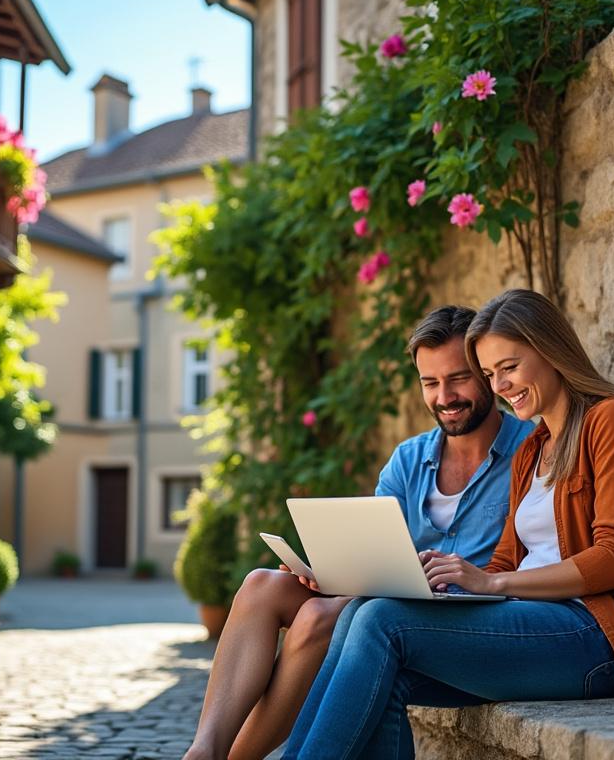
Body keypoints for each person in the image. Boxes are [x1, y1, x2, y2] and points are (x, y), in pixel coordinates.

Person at [281, 289, 614, 759]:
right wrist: (438, 584)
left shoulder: (612, 422)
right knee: (361, 616)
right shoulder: (534, 449)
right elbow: (506, 560)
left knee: (380, 621)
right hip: (536, 627)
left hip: (600, 639)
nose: (500, 386)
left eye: (509, 367)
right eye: (491, 374)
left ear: (550, 350)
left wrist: (493, 583)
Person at [183, 305, 537, 760]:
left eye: (459, 378)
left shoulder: (530, 451)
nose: (444, 396)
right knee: (261, 586)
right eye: (430, 383)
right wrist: (333, 573)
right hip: (392, 597)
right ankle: (203, 750)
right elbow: (377, 550)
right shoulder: (409, 459)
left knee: (317, 617)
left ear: (486, 374)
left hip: (464, 617)